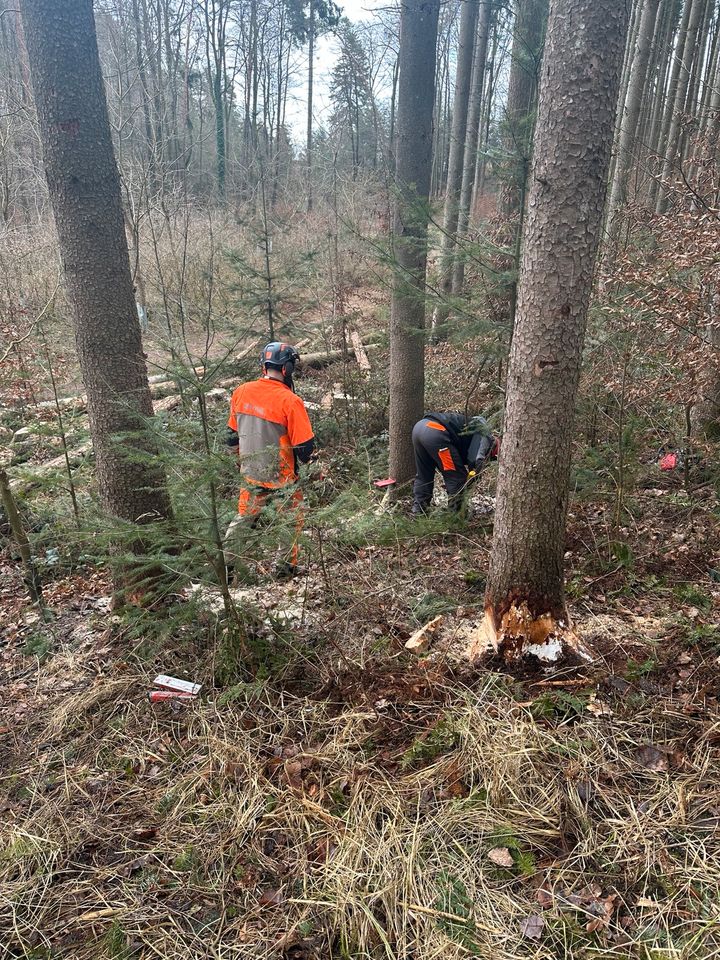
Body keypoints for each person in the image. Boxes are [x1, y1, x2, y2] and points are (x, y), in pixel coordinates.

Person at [225, 342, 315, 577]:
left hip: (250, 473)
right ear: (287, 368)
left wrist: (241, 461)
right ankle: (284, 569)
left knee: (243, 519)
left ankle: (226, 567)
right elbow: (305, 448)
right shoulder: (290, 401)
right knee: (290, 520)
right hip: (282, 477)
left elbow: (231, 438)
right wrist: (312, 467)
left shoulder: (241, 391)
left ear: (264, 366)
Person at [411, 411, 498, 515]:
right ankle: (456, 517)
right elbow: (476, 460)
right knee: (456, 478)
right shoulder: (486, 436)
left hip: (420, 427)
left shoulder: (473, 429)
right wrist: (476, 474)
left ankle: (418, 513)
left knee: (424, 476)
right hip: (436, 431)